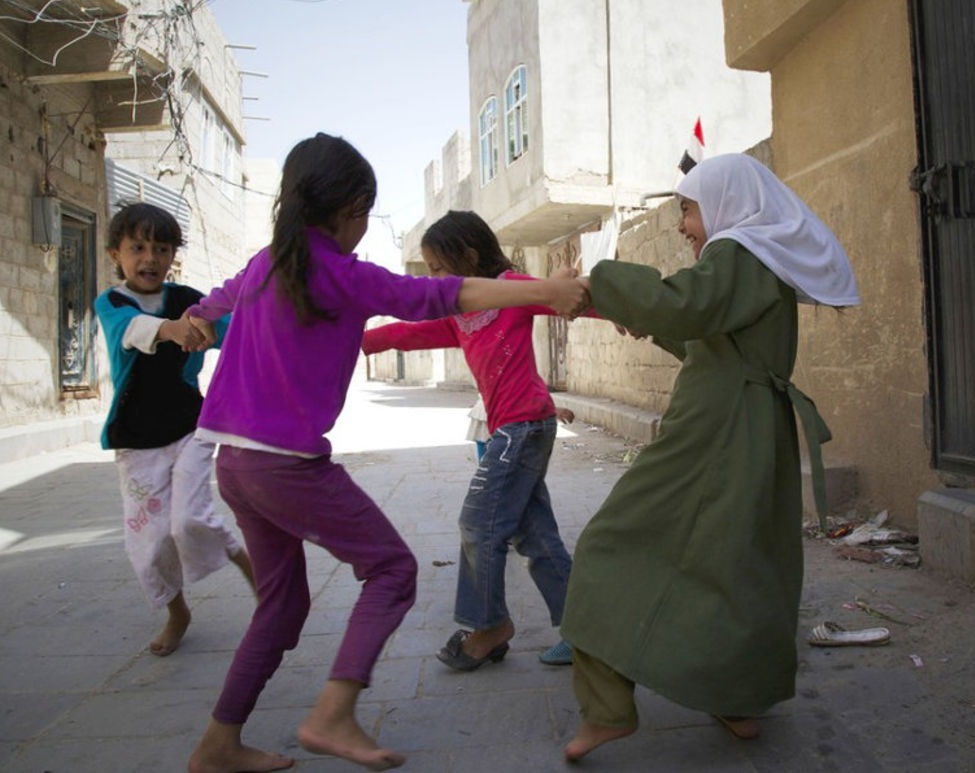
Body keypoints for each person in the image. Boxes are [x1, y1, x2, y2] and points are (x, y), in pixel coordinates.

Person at [183, 135, 589, 773]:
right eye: (365, 213)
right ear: (353, 206)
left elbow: (213, 304)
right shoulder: (341, 273)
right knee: (394, 571)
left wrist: (191, 325)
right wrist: (543, 292)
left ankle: (217, 745)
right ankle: (334, 714)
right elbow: (441, 300)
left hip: (232, 465)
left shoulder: (266, 263)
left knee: (282, 604)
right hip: (286, 464)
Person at [559, 153, 860, 760]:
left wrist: (602, 284)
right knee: (739, 563)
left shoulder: (740, 252)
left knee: (608, 546)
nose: (684, 225)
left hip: (714, 433)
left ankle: (609, 708)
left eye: (689, 210)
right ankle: (738, 698)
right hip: (749, 429)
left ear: (725, 204)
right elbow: (717, 339)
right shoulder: (760, 259)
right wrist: (644, 320)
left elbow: (686, 308)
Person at [362, 210, 582, 672]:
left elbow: (568, 298)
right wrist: (355, 341)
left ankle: (488, 627)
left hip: (524, 427)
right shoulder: (461, 312)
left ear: (468, 256)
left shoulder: (514, 289)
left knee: (479, 524)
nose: (435, 280)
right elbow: (408, 333)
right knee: (535, 535)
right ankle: (587, 632)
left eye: (439, 269)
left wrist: (627, 314)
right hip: (513, 429)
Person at [95, 202, 255, 658]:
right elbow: (134, 330)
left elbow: (233, 330)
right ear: (116, 254)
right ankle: (177, 611)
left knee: (190, 519)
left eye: (161, 248)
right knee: (151, 541)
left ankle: (260, 583)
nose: (149, 258)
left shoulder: (190, 299)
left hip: (191, 429)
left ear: (172, 256)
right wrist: (178, 329)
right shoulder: (112, 303)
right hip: (136, 439)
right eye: (138, 248)